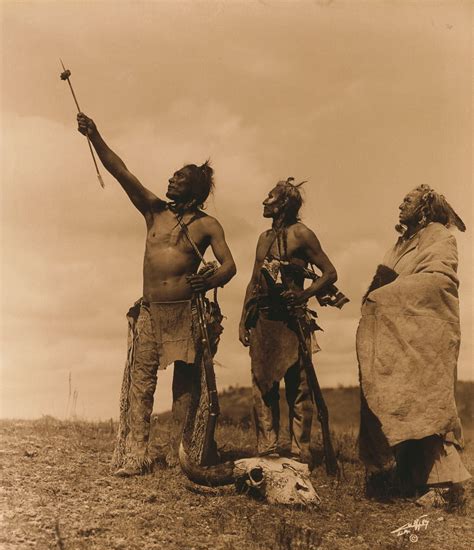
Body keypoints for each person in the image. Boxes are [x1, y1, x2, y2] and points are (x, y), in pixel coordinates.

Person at [76, 113, 236, 477]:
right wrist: (95, 135)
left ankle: (184, 453)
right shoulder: (154, 211)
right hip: (150, 312)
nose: (170, 179)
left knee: (184, 386)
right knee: (141, 382)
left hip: (186, 313)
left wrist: (208, 282)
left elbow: (229, 266)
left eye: (179, 177)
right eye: (171, 175)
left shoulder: (207, 225)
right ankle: (136, 456)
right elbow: (121, 171)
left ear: (194, 188)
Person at [357, 184, 470, 505]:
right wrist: (377, 296)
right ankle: (407, 477)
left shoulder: (440, 236)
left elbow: (440, 279)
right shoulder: (402, 242)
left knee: (427, 402)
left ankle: (442, 486)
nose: (400, 204)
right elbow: (384, 279)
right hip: (399, 330)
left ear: (423, 208)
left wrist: (388, 296)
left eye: (407, 200)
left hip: (426, 333)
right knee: (400, 397)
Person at [239, 178, 338, 465]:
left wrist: (305, 293)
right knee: (262, 384)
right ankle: (268, 449)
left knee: (299, 387)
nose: (264, 202)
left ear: (282, 203)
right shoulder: (263, 238)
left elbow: (330, 273)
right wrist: (244, 318)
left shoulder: (302, 234)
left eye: (269, 197)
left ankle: (298, 452)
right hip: (263, 320)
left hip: (292, 321)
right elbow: (254, 280)